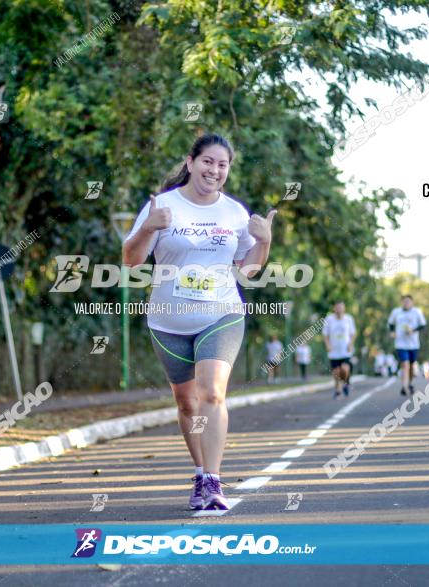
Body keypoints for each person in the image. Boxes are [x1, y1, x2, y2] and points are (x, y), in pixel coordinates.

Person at [123, 133, 278, 509]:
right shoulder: (162, 206)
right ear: (191, 162)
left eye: (223, 164)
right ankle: (199, 472)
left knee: (212, 392)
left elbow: (249, 272)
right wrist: (147, 227)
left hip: (221, 314)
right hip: (168, 320)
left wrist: (265, 242)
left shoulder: (235, 213)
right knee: (188, 404)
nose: (215, 170)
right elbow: (131, 262)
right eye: (208, 161)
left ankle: (213, 480)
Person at [387, 294, 427, 395]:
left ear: (412, 303)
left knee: (412, 366)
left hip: (413, 344)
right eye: (404, 301)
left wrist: (413, 330)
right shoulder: (396, 312)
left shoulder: (417, 312)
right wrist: (392, 332)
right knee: (405, 364)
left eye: (408, 301)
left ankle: (409, 383)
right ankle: (404, 386)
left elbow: (423, 325)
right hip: (400, 343)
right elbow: (391, 323)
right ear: (402, 302)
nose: (406, 303)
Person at [322, 302, 356, 398]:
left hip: (345, 350)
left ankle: (345, 383)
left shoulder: (348, 319)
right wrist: (328, 345)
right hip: (334, 351)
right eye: (337, 308)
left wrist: (350, 344)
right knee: (336, 372)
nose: (339, 310)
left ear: (344, 309)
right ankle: (338, 389)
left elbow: (353, 334)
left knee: (345, 369)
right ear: (334, 309)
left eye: (341, 308)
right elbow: (325, 335)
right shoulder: (329, 319)